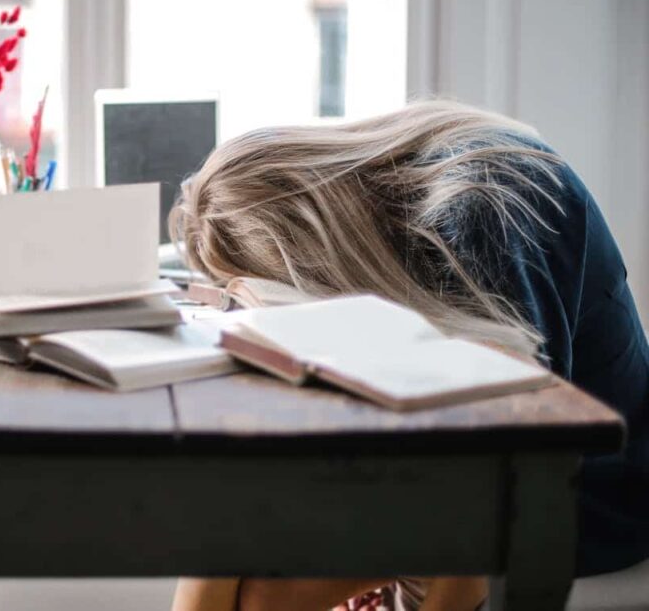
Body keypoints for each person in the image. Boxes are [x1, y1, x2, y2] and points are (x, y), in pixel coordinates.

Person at [167, 100, 649, 611]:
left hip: (594, 503)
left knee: (254, 585)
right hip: (481, 473)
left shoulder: (484, 207)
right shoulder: (416, 190)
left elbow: (511, 475)